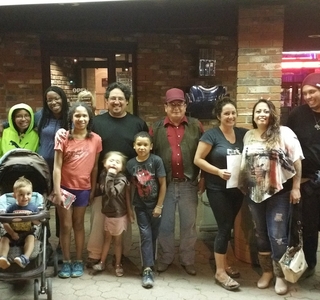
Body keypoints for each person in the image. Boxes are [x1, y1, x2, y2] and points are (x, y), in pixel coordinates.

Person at [238, 99, 303, 295]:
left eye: (266, 111)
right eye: (258, 111)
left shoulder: (284, 133)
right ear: (253, 115)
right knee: (260, 233)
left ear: (272, 113)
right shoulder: (248, 135)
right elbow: (245, 163)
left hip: (279, 194)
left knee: (277, 235)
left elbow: (297, 160)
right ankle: (267, 272)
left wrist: (296, 187)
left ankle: (280, 276)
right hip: (255, 195)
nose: (262, 114)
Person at [86, 82, 148, 268]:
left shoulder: (137, 123)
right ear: (106, 101)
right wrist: (93, 180)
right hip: (102, 180)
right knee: (99, 216)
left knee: (124, 216)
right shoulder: (96, 122)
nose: (116, 102)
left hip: (127, 181)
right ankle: (95, 252)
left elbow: (143, 153)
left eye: (120, 98)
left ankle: (123, 253)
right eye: (112, 98)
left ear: (127, 101)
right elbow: (90, 151)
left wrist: (141, 179)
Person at [194, 97, 247, 290]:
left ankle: (224, 264)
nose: (230, 116)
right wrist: (217, 171)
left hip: (237, 188)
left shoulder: (243, 134)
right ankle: (220, 272)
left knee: (229, 227)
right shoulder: (211, 135)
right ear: (219, 116)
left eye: (233, 112)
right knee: (224, 227)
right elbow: (198, 159)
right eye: (226, 113)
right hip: (217, 188)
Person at [150, 87, 203, 276]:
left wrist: (203, 177)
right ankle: (166, 258)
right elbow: (149, 156)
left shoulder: (196, 126)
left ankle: (187, 259)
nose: (175, 107)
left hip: (189, 183)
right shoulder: (156, 128)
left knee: (189, 225)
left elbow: (205, 154)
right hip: (166, 185)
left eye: (179, 103)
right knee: (165, 224)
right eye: (171, 104)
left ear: (185, 105)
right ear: (165, 106)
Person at [52, 102, 102, 278]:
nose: (81, 119)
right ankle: (66, 261)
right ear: (71, 118)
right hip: (65, 190)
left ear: (89, 118)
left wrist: (93, 188)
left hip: (83, 190)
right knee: (66, 226)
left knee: (79, 224)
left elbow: (95, 167)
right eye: (77, 115)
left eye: (84, 116)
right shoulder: (63, 137)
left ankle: (78, 260)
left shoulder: (95, 139)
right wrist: (57, 190)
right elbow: (57, 166)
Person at [286, 72, 320, 278]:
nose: (308, 97)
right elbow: (285, 142)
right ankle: (309, 264)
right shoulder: (297, 114)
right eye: (305, 93)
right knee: (308, 226)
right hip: (307, 182)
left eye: (312, 92)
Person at [126, 131, 166, 288]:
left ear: (151, 146)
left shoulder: (156, 161)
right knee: (145, 235)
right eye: (139, 144)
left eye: (145, 145)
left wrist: (159, 205)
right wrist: (129, 209)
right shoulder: (130, 164)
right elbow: (129, 189)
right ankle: (147, 269)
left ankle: (152, 261)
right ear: (134, 146)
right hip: (140, 206)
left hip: (155, 206)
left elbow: (163, 184)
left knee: (154, 235)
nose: (142, 147)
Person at [92, 151, 133, 277]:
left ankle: (118, 265)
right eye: (111, 161)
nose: (114, 163)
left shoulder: (121, 179)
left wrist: (110, 175)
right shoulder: (103, 175)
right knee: (107, 239)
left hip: (119, 215)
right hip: (108, 214)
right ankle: (102, 262)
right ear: (104, 163)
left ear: (122, 167)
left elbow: (112, 193)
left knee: (118, 242)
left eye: (117, 162)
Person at [0, 177, 39, 269]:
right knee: (4, 239)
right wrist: (12, 233)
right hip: (13, 232)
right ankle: (3, 258)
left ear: (32, 194)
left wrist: (31, 217)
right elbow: (5, 223)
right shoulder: (11, 209)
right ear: (14, 195)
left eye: (28, 194)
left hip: (27, 233)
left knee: (31, 238)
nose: (25, 197)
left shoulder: (33, 208)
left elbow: (37, 223)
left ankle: (25, 258)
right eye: (21, 194)